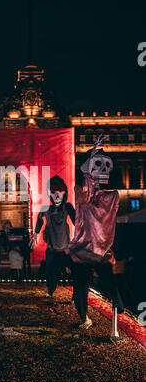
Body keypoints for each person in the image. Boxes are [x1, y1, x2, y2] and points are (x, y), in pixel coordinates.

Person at [68, 135, 124, 330]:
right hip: (85, 252)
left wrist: (92, 161)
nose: (104, 170)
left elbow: (92, 197)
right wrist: (90, 159)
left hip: (98, 252)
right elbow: (85, 192)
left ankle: (117, 308)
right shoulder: (82, 193)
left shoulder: (111, 196)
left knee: (109, 286)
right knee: (80, 291)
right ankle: (85, 318)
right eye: (98, 165)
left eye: (107, 166)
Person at [32, 175, 75, 298]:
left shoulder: (67, 207)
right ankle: (51, 291)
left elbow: (77, 220)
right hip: (52, 249)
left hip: (66, 249)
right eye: (53, 192)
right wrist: (36, 232)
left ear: (64, 193)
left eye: (59, 192)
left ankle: (76, 294)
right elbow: (40, 219)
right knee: (51, 273)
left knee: (75, 270)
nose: (56, 196)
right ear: (49, 193)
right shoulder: (47, 209)